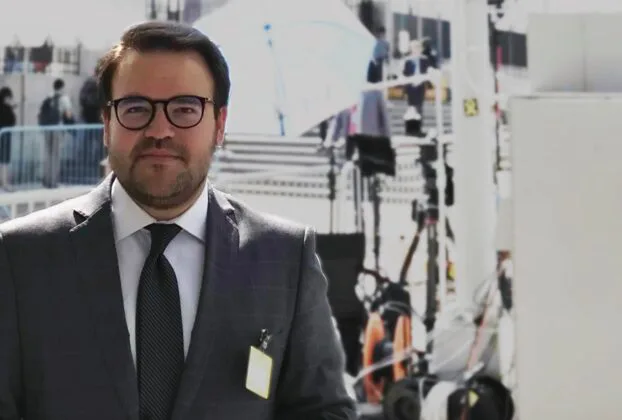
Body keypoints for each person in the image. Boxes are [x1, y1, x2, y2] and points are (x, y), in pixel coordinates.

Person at [0, 21, 355, 420]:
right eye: (136, 108)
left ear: (219, 125)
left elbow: (323, 409)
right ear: (107, 123)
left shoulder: (285, 258)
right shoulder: (20, 257)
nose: (160, 130)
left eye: (185, 108)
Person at [0, 86, 16, 190]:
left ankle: (3, 182)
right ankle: (4, 183)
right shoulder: (6, 108)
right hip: (5, 136)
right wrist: (11, 108)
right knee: (4, 160)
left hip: (4, 135)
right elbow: (12, 121)